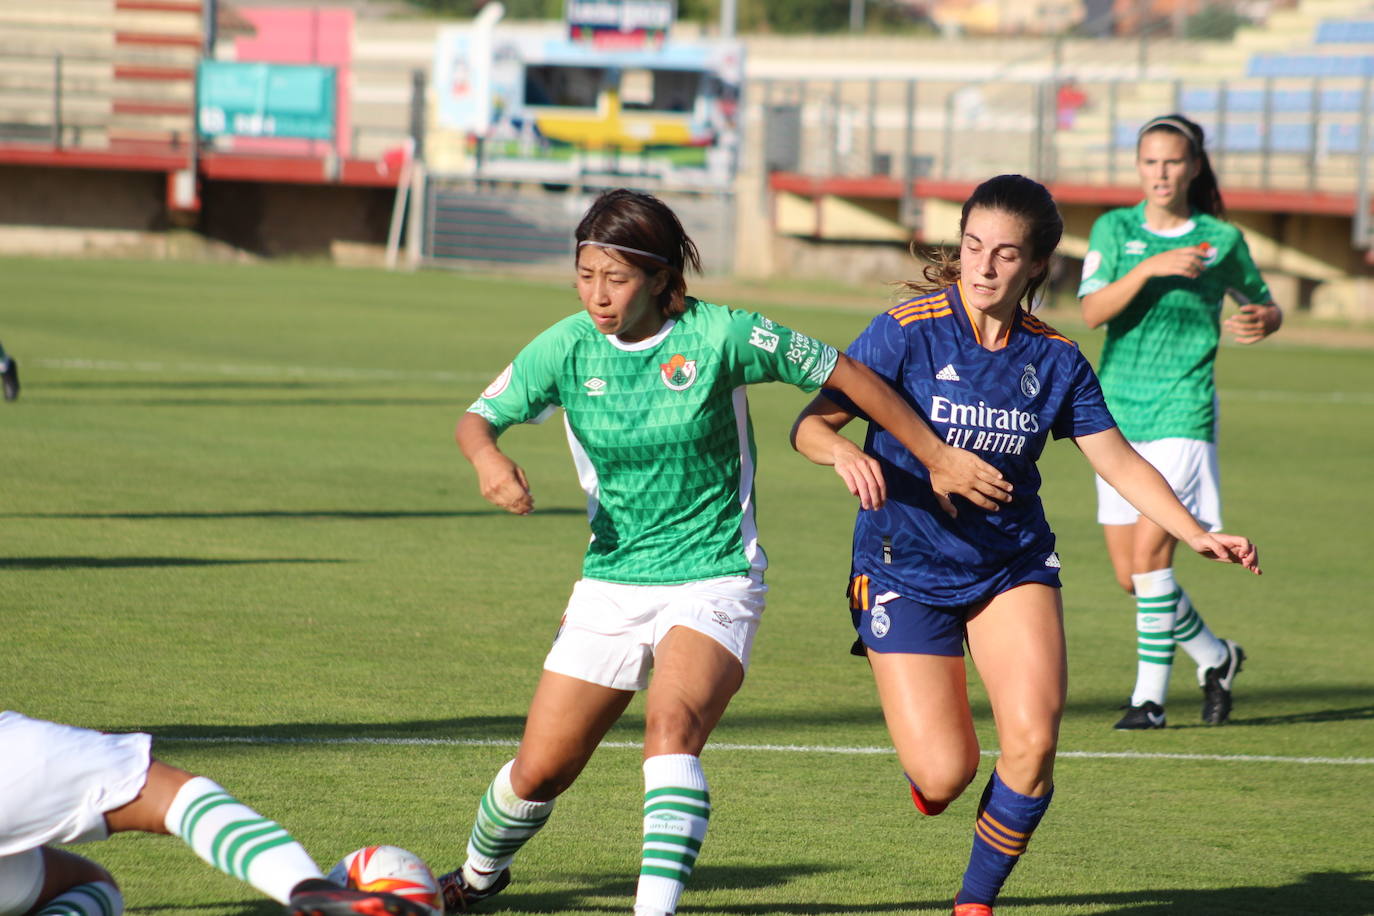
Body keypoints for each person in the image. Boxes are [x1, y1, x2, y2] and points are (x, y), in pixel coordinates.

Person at [444, 188, 1013, 916]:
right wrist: (489, 461)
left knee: (670, 727)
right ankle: (475, 877)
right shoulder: (564, 346)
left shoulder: (723, 335)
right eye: (585, 275)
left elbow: (848, 375)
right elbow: (478, 417)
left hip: (714, 575)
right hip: (612, 582)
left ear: (656, 277)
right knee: (541, 769)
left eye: (615, 278)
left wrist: (933, 454)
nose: (597, 294)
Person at [791, 174, 1262, 916]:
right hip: (901, 569)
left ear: (1037, 265)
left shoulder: (1056, 358)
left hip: (1011, 566)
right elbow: (811, 425)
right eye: (973, 246)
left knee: (1034, 747)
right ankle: (936, 774)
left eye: (1006, 255)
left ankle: (974, 903)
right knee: (945, 776)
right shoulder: (907, 329)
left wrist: (1194, 532)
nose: (982, 267)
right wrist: (844, 455)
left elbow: (1118, 459)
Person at [1078, 113, 1283, 729]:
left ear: (1193, 167)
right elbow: (1090, 312)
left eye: (1172, 161)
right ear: (1137, 167)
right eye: (1150, 162)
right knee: (1129, 577)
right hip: (1115, 413)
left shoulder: (1221, 240)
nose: (1161, 173)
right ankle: (1216, 657)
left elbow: (1263, 302)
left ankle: (1149, 701)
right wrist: (1149, 268)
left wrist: (1264, 320)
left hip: (1183, 412)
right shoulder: (1114, 230)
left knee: (1150, 559)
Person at [0, 711, 429, 916]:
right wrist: (306, 885)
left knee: (87, 885)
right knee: (89, 888)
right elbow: (186, 802)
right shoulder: (23, 750)